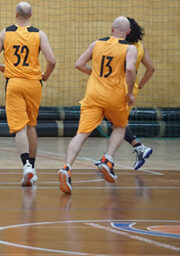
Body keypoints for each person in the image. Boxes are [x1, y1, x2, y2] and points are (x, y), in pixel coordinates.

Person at [58, 16, 138, 194]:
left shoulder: (96, 44)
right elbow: (130, 69)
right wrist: (130, 92)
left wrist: (94, 75)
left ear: (112, 29)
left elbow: (79, 64)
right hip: (116, 96)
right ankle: (107, 159)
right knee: (120, 127)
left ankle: (66, 168)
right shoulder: (130, 48)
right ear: (128, 32)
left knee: (81, 134)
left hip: (93, 95)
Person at [0, 2, 56, 186]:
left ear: (16, 14)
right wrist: (45, 76)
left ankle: (26, 166)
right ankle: (33, 167)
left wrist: (1, 67)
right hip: (34, 84)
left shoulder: (5, 33)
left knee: (20, 128)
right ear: (30, 15)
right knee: (31, 125)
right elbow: (52, 60)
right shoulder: (39, 34)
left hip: (14, 83)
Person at [93, 17, 155, 170]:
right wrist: (141, 84)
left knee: (118, 124)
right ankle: (114, 155)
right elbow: (151, 68)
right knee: (117, 123)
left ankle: (134, 149)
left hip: (118, 87)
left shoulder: (123, 47)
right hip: (131, 87)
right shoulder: (140, 48)